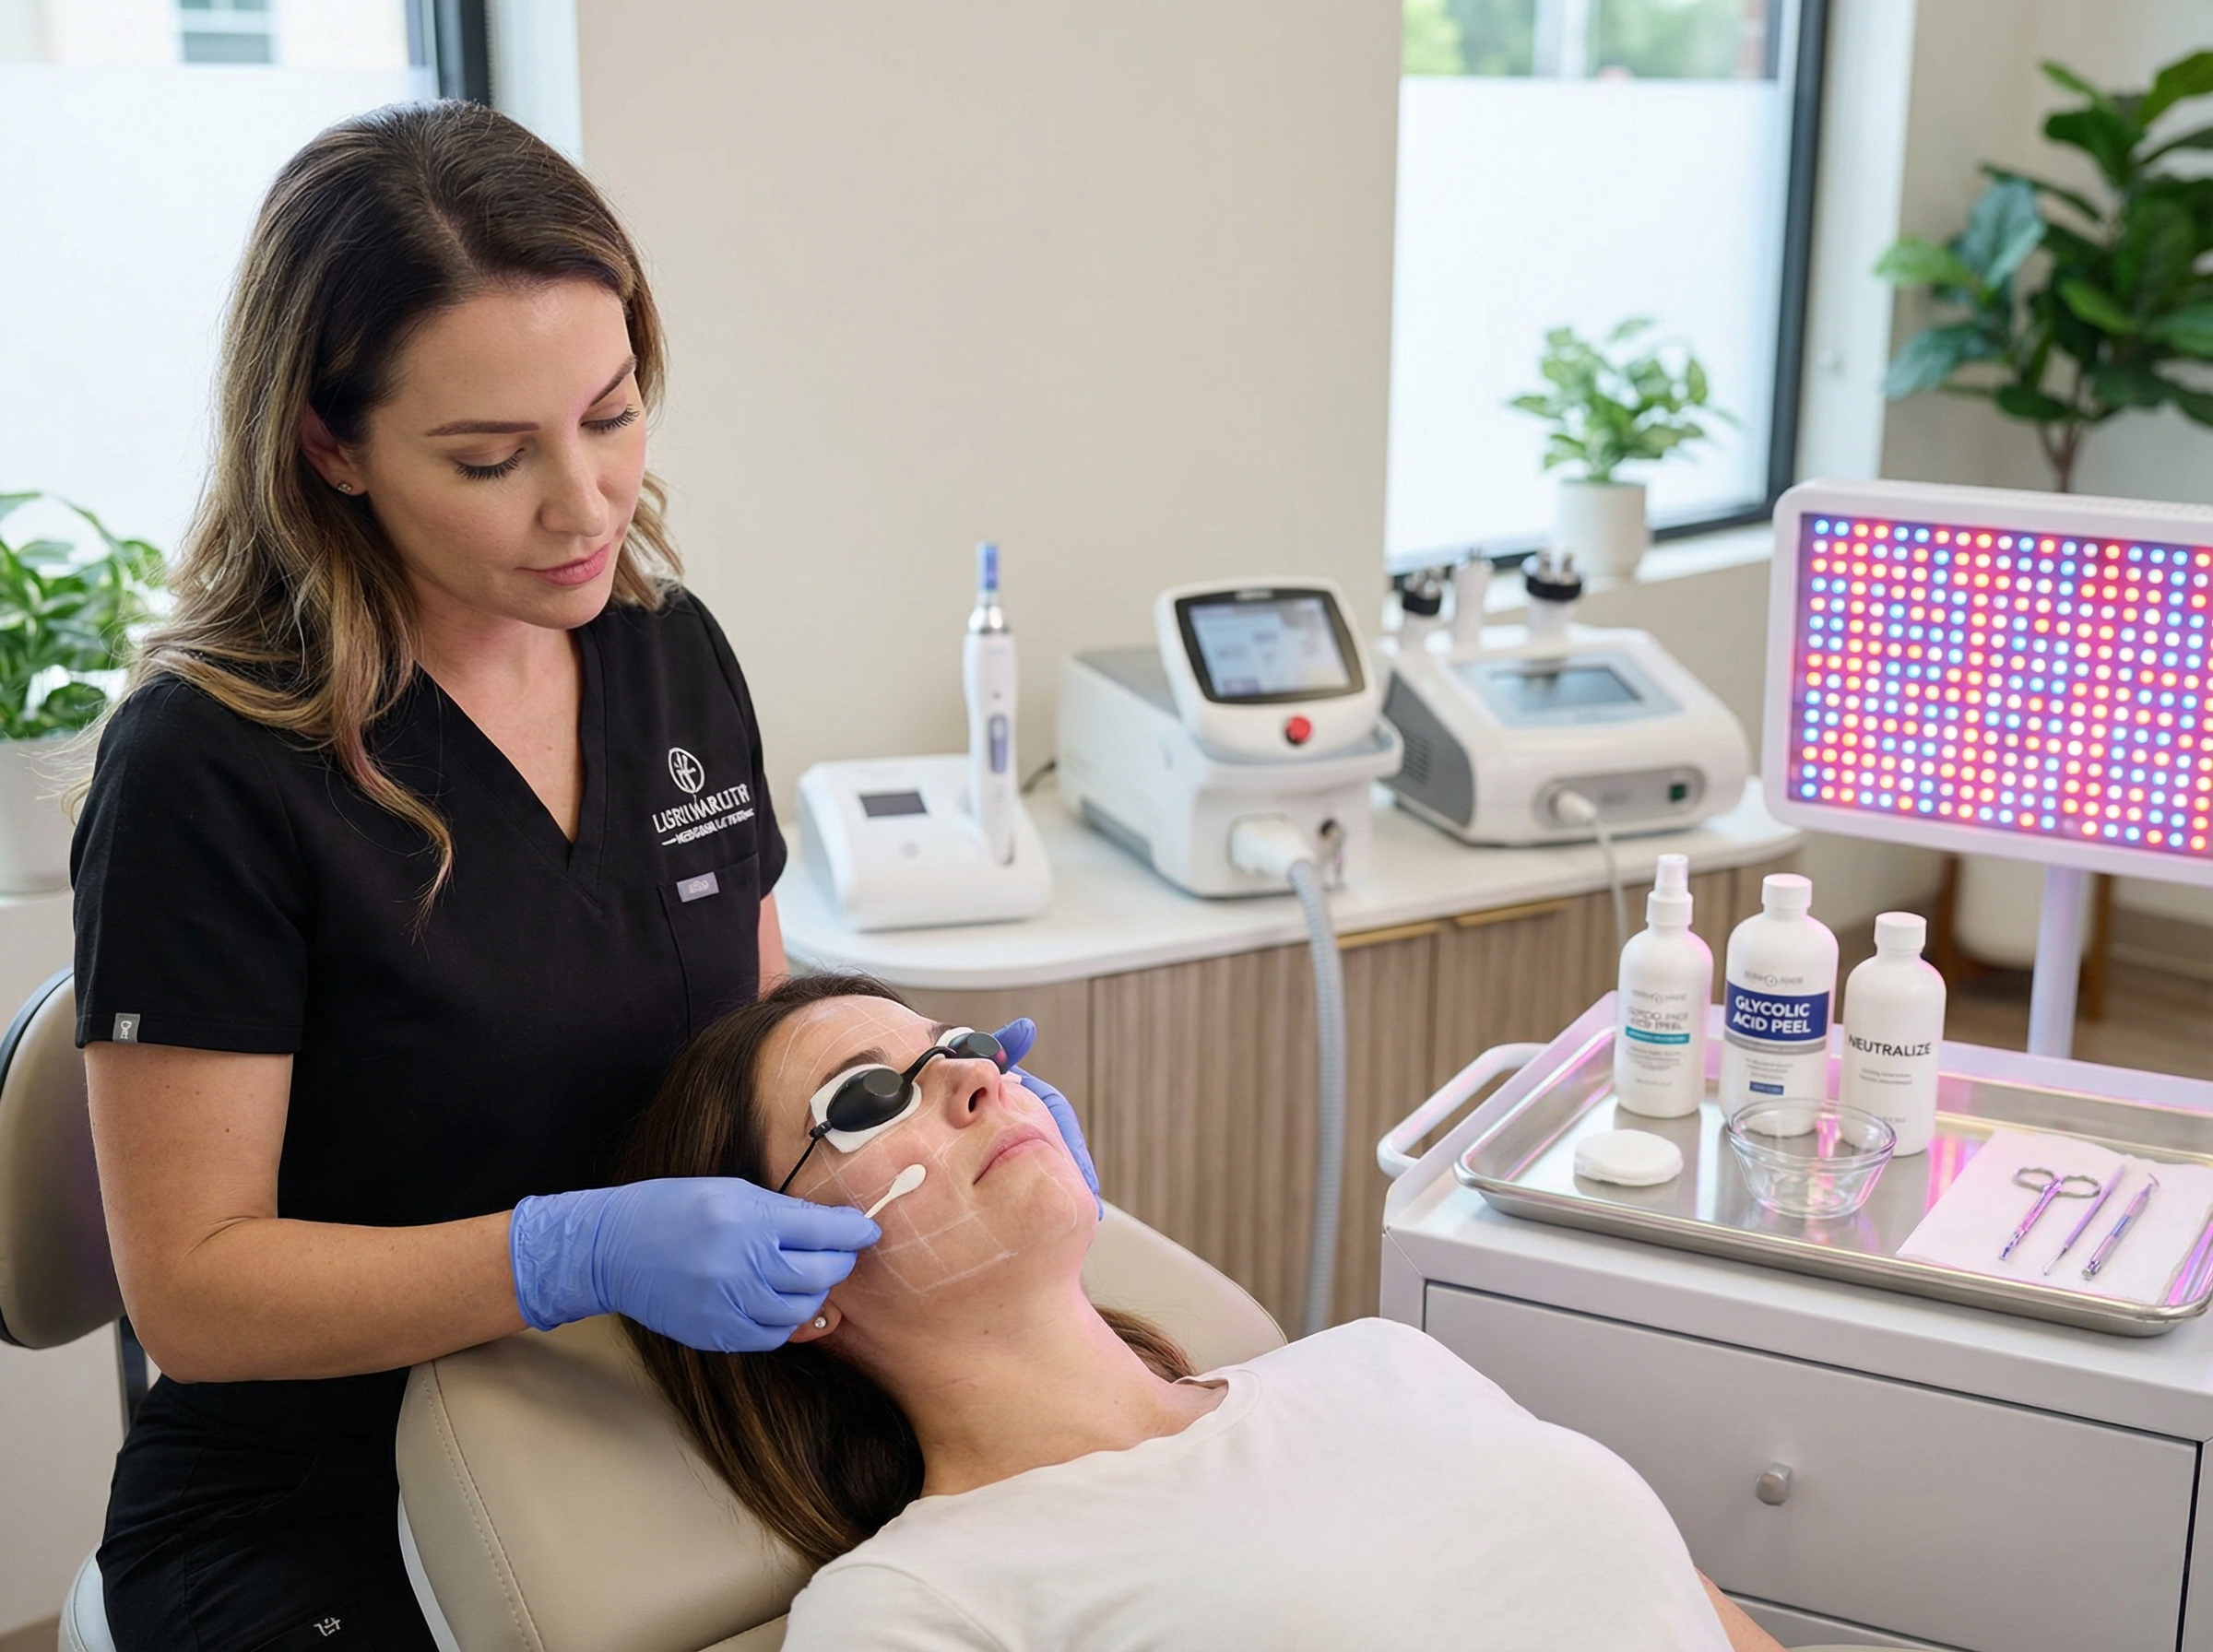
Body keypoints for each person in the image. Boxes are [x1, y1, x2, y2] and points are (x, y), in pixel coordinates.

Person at [68, 101, 1096, 1652]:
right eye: (492, 457)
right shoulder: (207, 768)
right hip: (321, 1485)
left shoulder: (665, 657)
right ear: (328, 445)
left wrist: (931, 1084)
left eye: (612, 416)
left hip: (666, 1404)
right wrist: (571, 1250)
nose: (587, 504)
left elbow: (757, 1041)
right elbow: (195, 1297)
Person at [621, 974, 1788, 1652]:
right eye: (869, 1099)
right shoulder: (919, 1604)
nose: (979, 1078)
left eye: (960, 1048)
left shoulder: (1381, 1360)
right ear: (787, 1279)